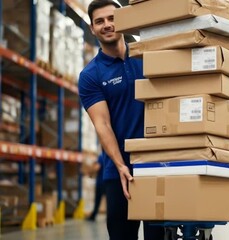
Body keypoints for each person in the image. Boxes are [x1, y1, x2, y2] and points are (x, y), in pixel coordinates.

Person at [78, 1, 164, 239]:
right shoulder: (91, 75)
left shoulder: (150, 54)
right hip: (119, 173)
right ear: (93, 29)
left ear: (124, 20)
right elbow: (102, 124)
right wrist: (121, 166)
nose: (107, 25)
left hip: (159, 165)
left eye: (111, 18)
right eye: (99, 21)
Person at [87, 152, 105, 221]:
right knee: (109, 201)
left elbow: (97, 167)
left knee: (97, 200)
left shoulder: (101, 156)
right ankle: (109, 217)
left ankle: (93, 216)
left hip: (100, 182)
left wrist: (91, 169)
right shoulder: (108, 155)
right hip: (107, 181)